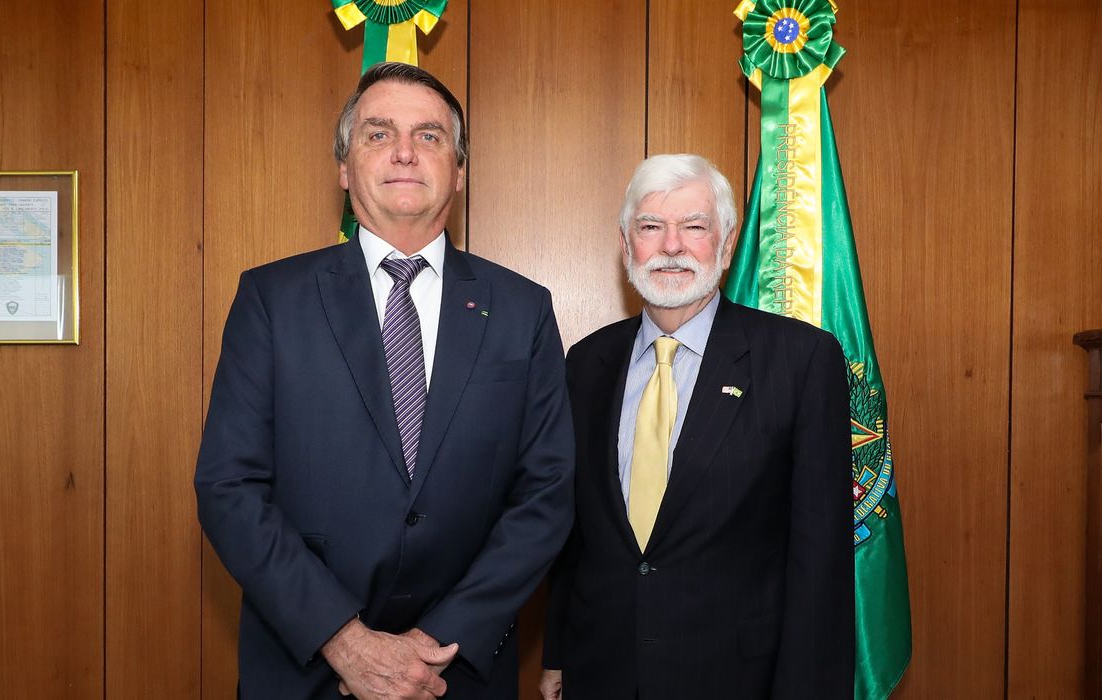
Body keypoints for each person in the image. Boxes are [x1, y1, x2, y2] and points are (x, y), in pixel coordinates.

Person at [195, 62, 574, 700]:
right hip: (308, 670)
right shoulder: (271, 298)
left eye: (429, 137)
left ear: (459, 171)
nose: (404, 151)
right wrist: (343, 639)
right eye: (378, 134)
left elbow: (546, 493)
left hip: (459, 674)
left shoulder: (522, 308)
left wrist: (435, 646)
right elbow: (228, 485)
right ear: (344, 167)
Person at [540, 154, 854, 699]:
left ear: (727, 246)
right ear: (625, 244)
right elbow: (575, 534)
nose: (670, 246)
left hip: (738, 679)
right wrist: (557, 655)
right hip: (601, 673)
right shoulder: (584, 364)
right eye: (651, 227)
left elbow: (820, 560)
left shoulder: (801, 361)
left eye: (694, 227)